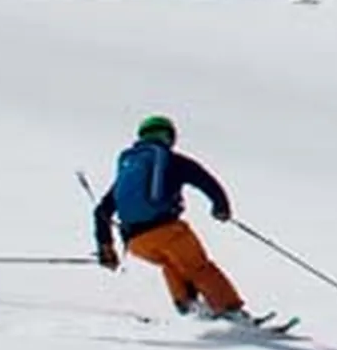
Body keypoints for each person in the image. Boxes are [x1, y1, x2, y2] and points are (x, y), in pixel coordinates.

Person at [93, 115, 252, 319]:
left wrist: (105, 247)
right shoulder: (171, 160)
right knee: (198, 266)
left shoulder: (130, 167)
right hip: (167, 230)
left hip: (136, 242)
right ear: (169, 137)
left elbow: (101, 212)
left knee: (173, 263)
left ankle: (189, 307)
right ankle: (231, 311)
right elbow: (206, 180)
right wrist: (221, 207)